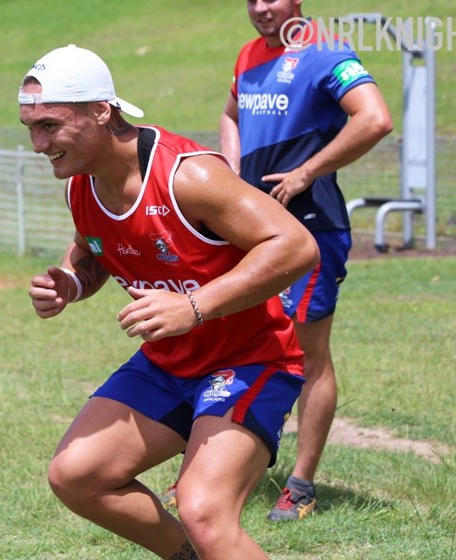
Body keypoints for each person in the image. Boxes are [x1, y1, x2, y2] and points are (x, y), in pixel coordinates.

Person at [20, 44, 319, 559]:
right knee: (76, 476)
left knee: (203, 510)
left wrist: (195, 305)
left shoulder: (188, 174)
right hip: (167, 364)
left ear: (100, 111)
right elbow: (95, 248)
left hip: (250, 358)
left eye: (49, 125)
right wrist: (72, 281)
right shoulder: (81, 185)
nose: (36, 143)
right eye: (30, 126)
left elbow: (296, 245)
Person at [219, 0, 393, 521]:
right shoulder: (248, 55)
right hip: (251, 231)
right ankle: (218, 473)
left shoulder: (326, 49)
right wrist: (229, 177)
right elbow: (230, 117)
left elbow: (376, 118)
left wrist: (306, 173)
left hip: (311, 232)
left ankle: (301, 485)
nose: (260, 7)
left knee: (305, 355)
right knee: (235, 344)